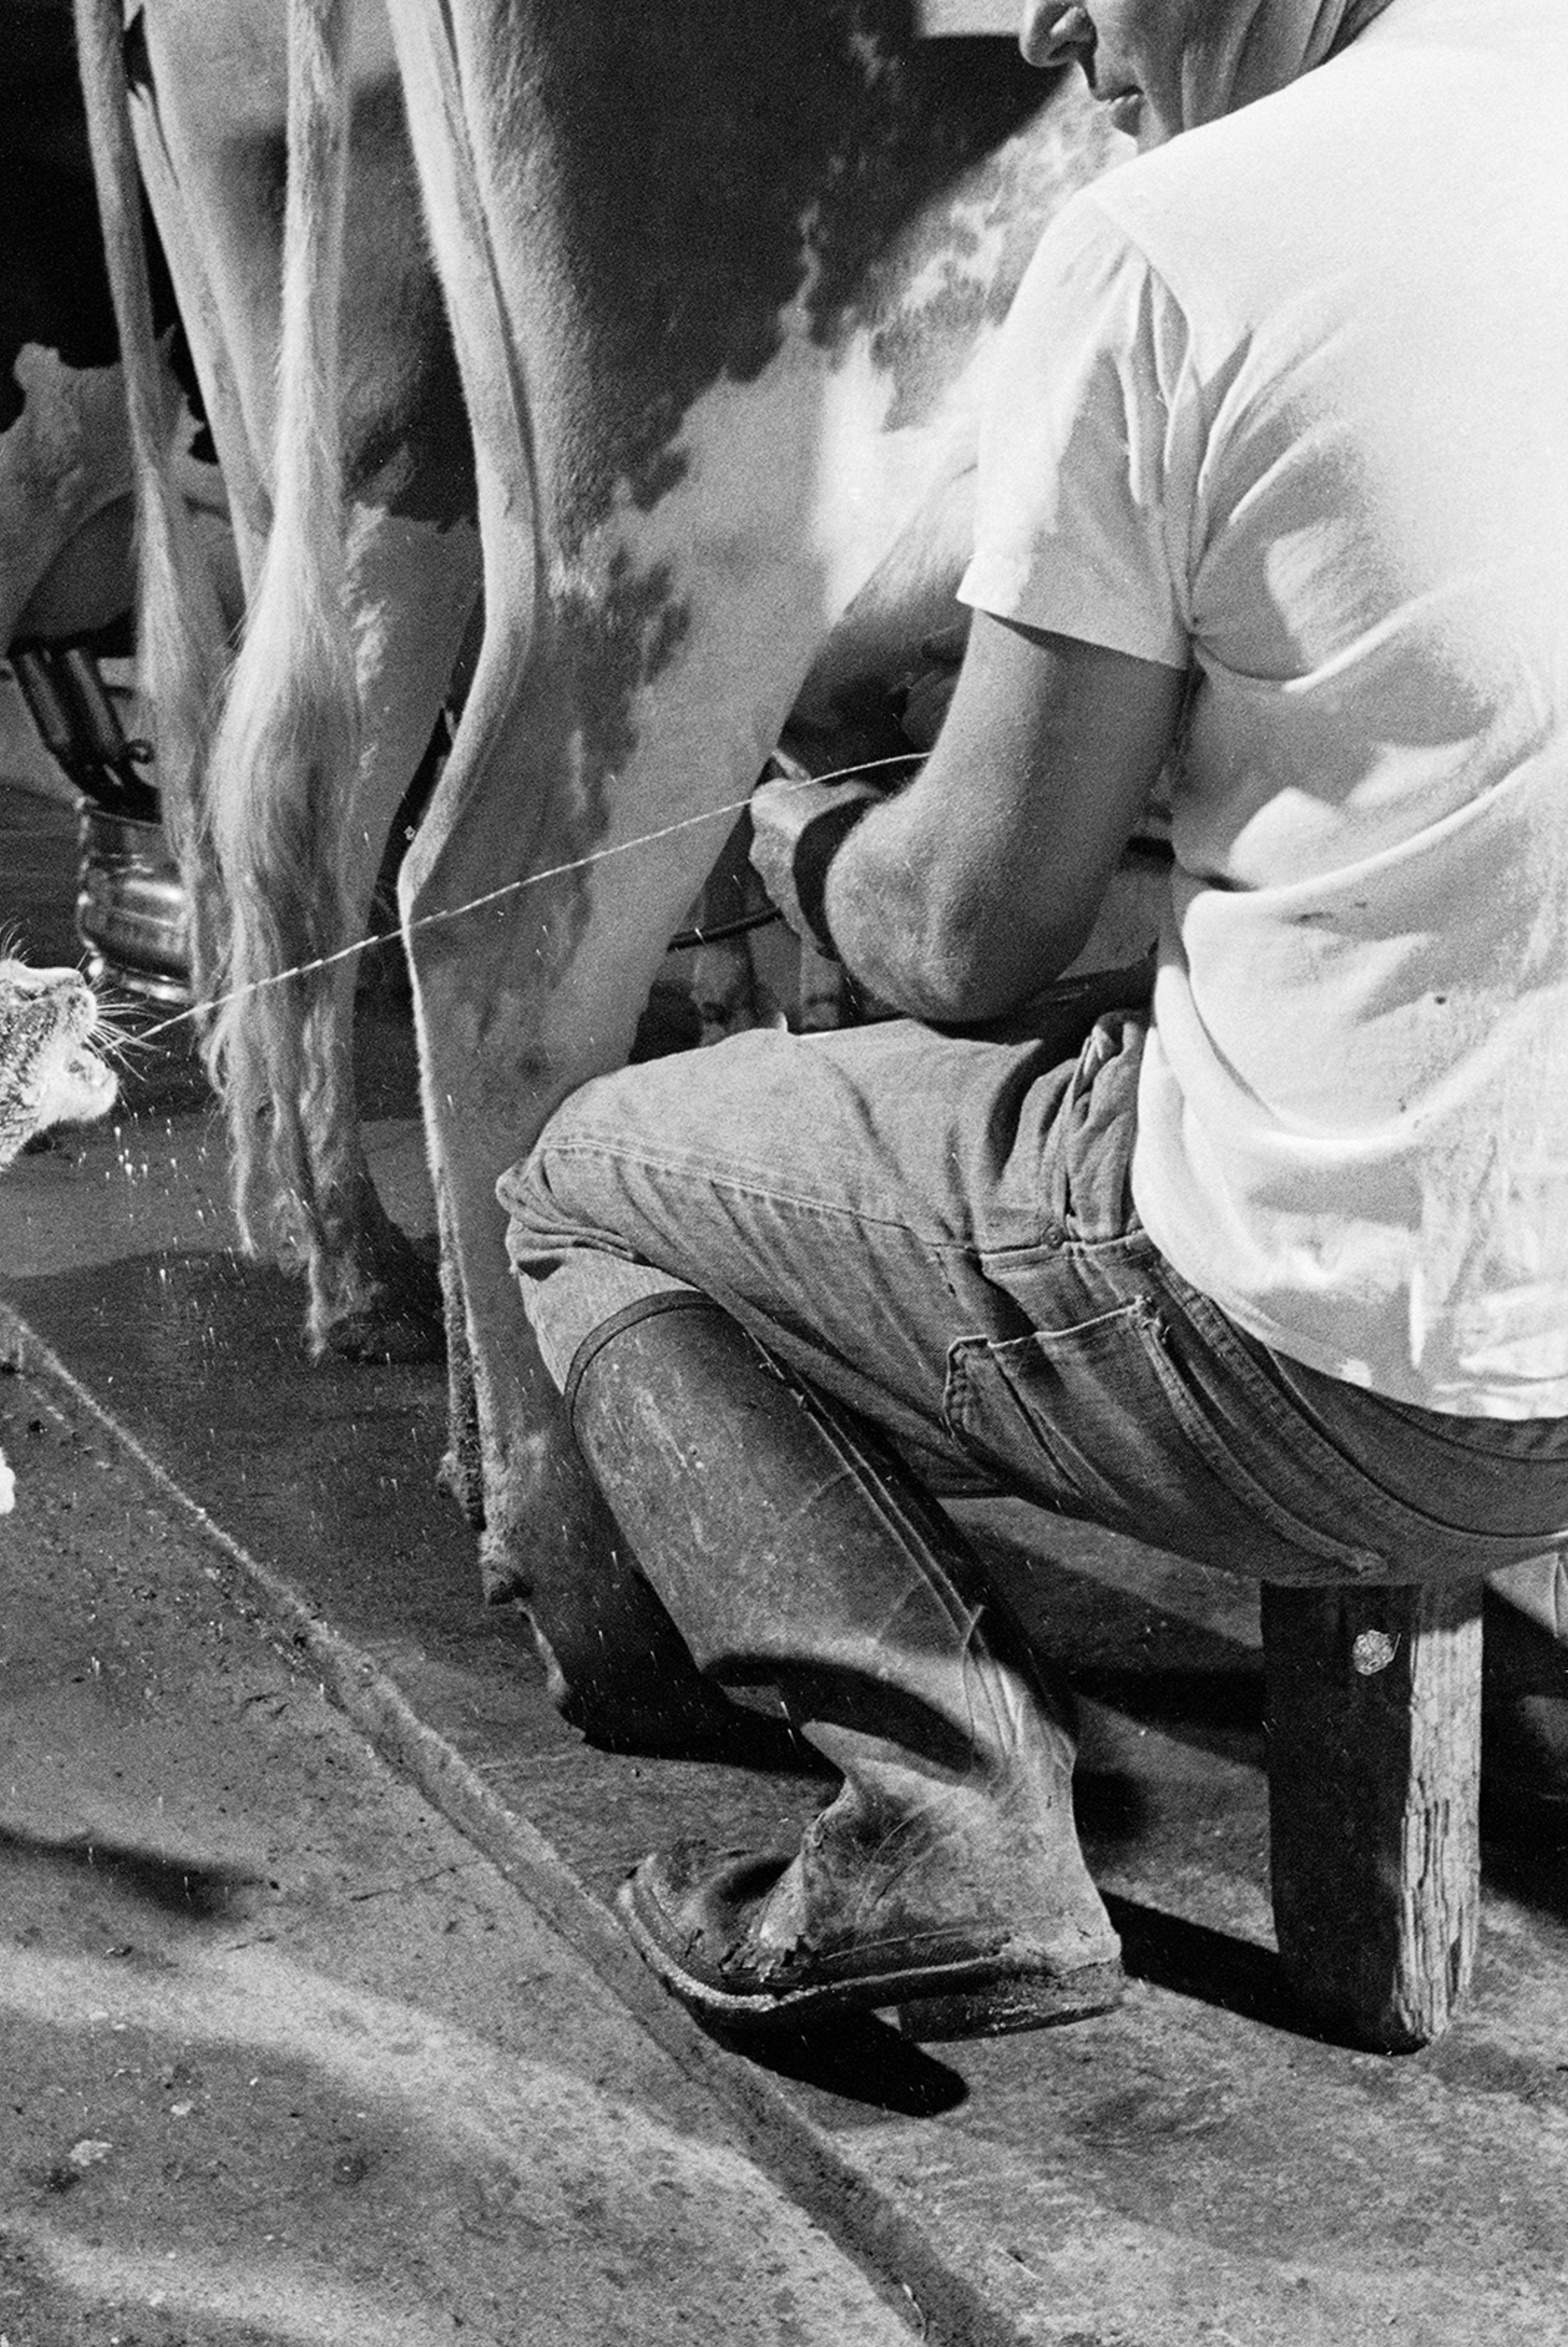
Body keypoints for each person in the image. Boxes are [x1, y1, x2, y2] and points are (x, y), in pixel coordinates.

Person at [498, 0, 1568, 2041]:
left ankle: (942, 1804)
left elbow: (966, 936)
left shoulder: (1178, 239)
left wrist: (789, 829)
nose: (1053, 20)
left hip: (1366, 1388)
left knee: (591, 1181)